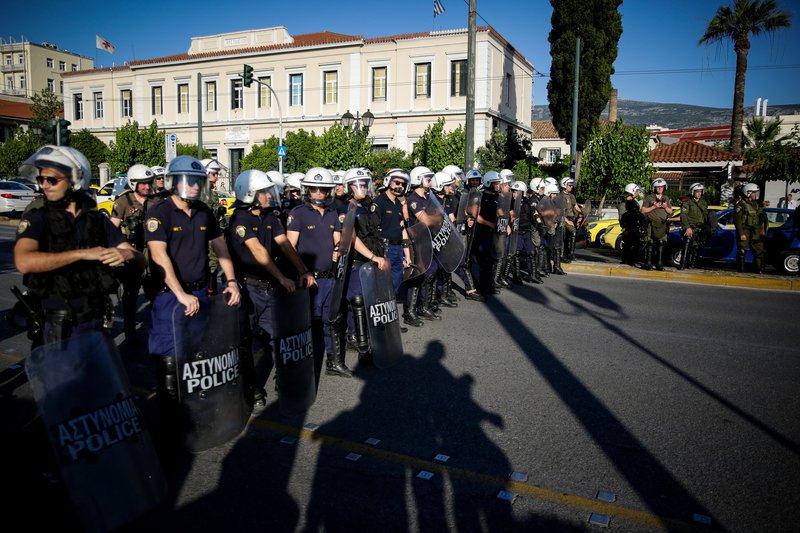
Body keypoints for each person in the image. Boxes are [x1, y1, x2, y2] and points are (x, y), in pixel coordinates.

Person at [14, 145, 144, 348]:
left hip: (96, 322)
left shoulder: (97, 221)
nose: (45, 185)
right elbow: (24, 261)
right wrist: (83, 254)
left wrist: (125, 254)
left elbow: (138, 258)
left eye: (52, 180)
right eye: (41, 179)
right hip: (57, 326)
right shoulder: (38, 218)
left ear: (75, 179)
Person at [144, 155, 240, 417]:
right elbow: (158, 255)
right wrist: (181, 294)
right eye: (189, 181)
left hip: (198, 291)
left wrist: (231, 281)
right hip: (171, 296)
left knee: (195, 351)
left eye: (198, 181)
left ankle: (193, 408)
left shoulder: (203, 211)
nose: (195, 186)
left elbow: (220, 246)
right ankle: (171, 420)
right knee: (169, 356)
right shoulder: (159, 212)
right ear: (174, 182)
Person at [226, 169, 313, 409]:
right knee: (244, 343)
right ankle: (249, 388)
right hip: (248, 288)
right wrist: (282, 277)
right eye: (264, 192)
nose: (268, 196)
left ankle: (284, 378)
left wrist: (303, 270)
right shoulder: (240, 220)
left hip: (267, 289)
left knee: (278, 336)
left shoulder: (270, 217)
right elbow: (258, 252)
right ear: (250, 194)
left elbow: (285, 245)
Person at [286, 167, 351, 377]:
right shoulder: (298, 213)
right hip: (308, 278)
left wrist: (339, 249)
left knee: (331, 320)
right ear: (307, 190)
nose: (319, 193)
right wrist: (303, 272)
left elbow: (338, 240)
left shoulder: (332, 213)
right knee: (307, 324)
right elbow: (290, 246)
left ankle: (333, 362)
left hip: (329, 277)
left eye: (323, 189)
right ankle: (302, 368)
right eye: (314, 189)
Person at [341, 168, 390, 364]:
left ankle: (363, 336)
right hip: (357, 260)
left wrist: (381, 256)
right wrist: (372, 256)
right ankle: (363, 348)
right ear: (349, 187)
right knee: (358, 300)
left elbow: (378, 232)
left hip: (374, 258)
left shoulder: (372, 205)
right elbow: (352, 238)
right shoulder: (346, 208)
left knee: (374, 299)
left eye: (365, 183)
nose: (363, 187)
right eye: (358, 184)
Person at [110, 164, 155, 340]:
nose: (146, 186)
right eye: (142, 183)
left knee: (155, 291)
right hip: (132, 253)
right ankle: (130, 331)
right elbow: (112, 228)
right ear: (133, 183)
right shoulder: (123, 201)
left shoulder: (156, 201)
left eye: (148, 183)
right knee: (131, 294)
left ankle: (158, 328)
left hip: (152, 252)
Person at [404, 166, 441, 322]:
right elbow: (425, 220)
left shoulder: (428, 197)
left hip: (431, 240)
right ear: (418, 179)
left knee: (430, 274)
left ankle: (424, 306)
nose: (430, 180)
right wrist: (436, 218)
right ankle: (410, 311)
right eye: (427, 178)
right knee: (417, 276)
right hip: (418, 242)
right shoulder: (413, 199)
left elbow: (440, 215)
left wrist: (436, 218)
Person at [373, 168, 413, 297]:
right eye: (397, 182)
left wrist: (407, 255)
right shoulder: (379, 202)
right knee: (382, 284)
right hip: (385, 248)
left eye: (403, 184)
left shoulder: (398, 204)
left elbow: (403, 230)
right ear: (388, 182)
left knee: (396, 282)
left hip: (398, 248)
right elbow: (374, 229)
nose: (400, 186)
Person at [734, 182, 767, 273]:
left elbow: (761, 218)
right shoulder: (741, 205)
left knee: (759, 250)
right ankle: (741, 270)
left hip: (755, 231)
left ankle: (760, 270)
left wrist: (762, 229)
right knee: (742, 251)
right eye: (754, 192)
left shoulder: (756, 204)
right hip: (745, 230)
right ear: (748, 193)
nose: (756, 194)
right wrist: (741, 234)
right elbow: (737, 221)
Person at [641, 178, 673, 271]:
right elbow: (643, 210)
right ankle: (648, 263)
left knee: (661, 243)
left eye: (661, 187)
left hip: (662, 224)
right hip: (651, 223)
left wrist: (665, 207)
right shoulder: (649, 198)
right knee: (649, 243)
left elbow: (670, 212)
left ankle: (659, 264)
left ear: (664, 188)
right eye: (657, 187)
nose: (659, 188)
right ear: (654, 188)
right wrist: (654, 206)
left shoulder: (666, 198)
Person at [678, 183, 709, 270]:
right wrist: (687, 228)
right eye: (697, 192)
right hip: (690, 227)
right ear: (693, 192)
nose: (699, 193)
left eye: (701, 192)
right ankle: (683, 264)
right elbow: (683, 216)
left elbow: (705, 216)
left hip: (700, 227)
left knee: (696, 247)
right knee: (687, 245)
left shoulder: (703, 203)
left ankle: (692, 264)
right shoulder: (687, 203)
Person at [619, 183, 644, 266]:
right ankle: (626, 260)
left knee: (636, 245)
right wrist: (625, 228)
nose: (637, 193)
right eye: (636, 191)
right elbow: (622, 218)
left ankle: (631, 260)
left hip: (635, 228)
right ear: (632, 191)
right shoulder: (624, 204)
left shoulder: (635, 202)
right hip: (628, 228)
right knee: (628, 245)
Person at [559, 177, 580, 263]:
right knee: (572, 233)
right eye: (570, 185)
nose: (571, 187)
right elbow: (560, 211)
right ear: (564, 185)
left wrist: (581, 214)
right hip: (565, 219)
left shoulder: (571, 196)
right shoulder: (560, 196)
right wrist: (567, 221)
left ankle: (569, 253)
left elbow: (576, 206)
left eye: (572, 185)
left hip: (572, 218)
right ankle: (569, 253)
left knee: (569, 236)